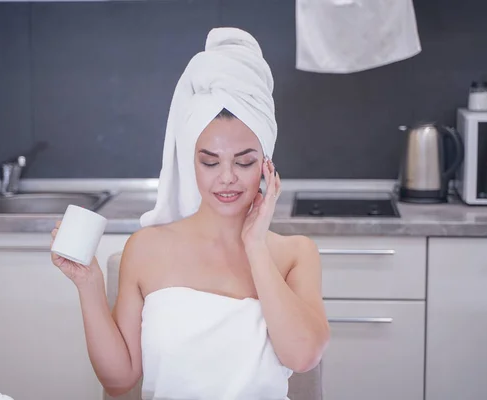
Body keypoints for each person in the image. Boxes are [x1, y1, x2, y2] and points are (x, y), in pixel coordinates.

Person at [51, 27, 329, 400]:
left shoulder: (295, 254)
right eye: (210, 162)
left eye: (244, 162)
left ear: (266, 165)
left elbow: (303, 355)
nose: (227, 178)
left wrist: (255, 246)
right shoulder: (147, 248)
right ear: (189, 162)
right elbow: (119, 380)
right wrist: (88, 285)